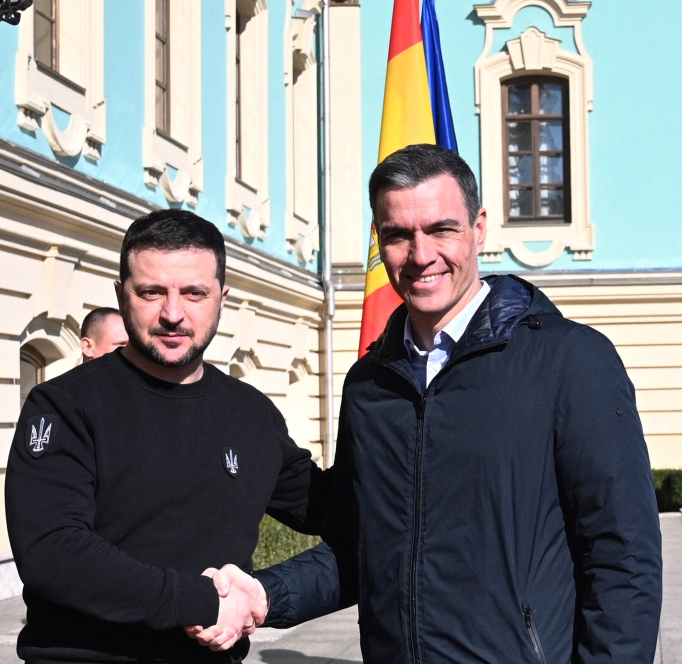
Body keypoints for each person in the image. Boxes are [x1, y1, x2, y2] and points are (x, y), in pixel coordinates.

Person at [191, 144, 663, 663]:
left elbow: (625, 559)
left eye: (442, 230)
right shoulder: (369, 386)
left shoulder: (570, 361)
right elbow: (360, 552)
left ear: (478, 228)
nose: (420, 256)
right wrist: (262, 595)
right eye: (398, 235)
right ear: (379, 241)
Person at [5, 209, 327, 663]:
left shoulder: (250, 413)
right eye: (151, 292)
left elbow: (331, 507)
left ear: (222, 297)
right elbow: (53, 552)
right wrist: (199, 601)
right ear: (121, 295)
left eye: (194, 293)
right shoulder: (65, 404)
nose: (173, 314)